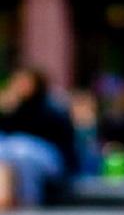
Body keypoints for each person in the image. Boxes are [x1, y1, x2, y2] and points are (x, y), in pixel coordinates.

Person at [0, 68, 78, 206]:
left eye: (24, 82)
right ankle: (5, 197)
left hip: (52, 160)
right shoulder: (14, 108)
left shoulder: (52, 107)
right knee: (9, 150)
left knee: (22, 152)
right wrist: (8, 109)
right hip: (14, 155)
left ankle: (29, 201)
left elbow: (66, 144)